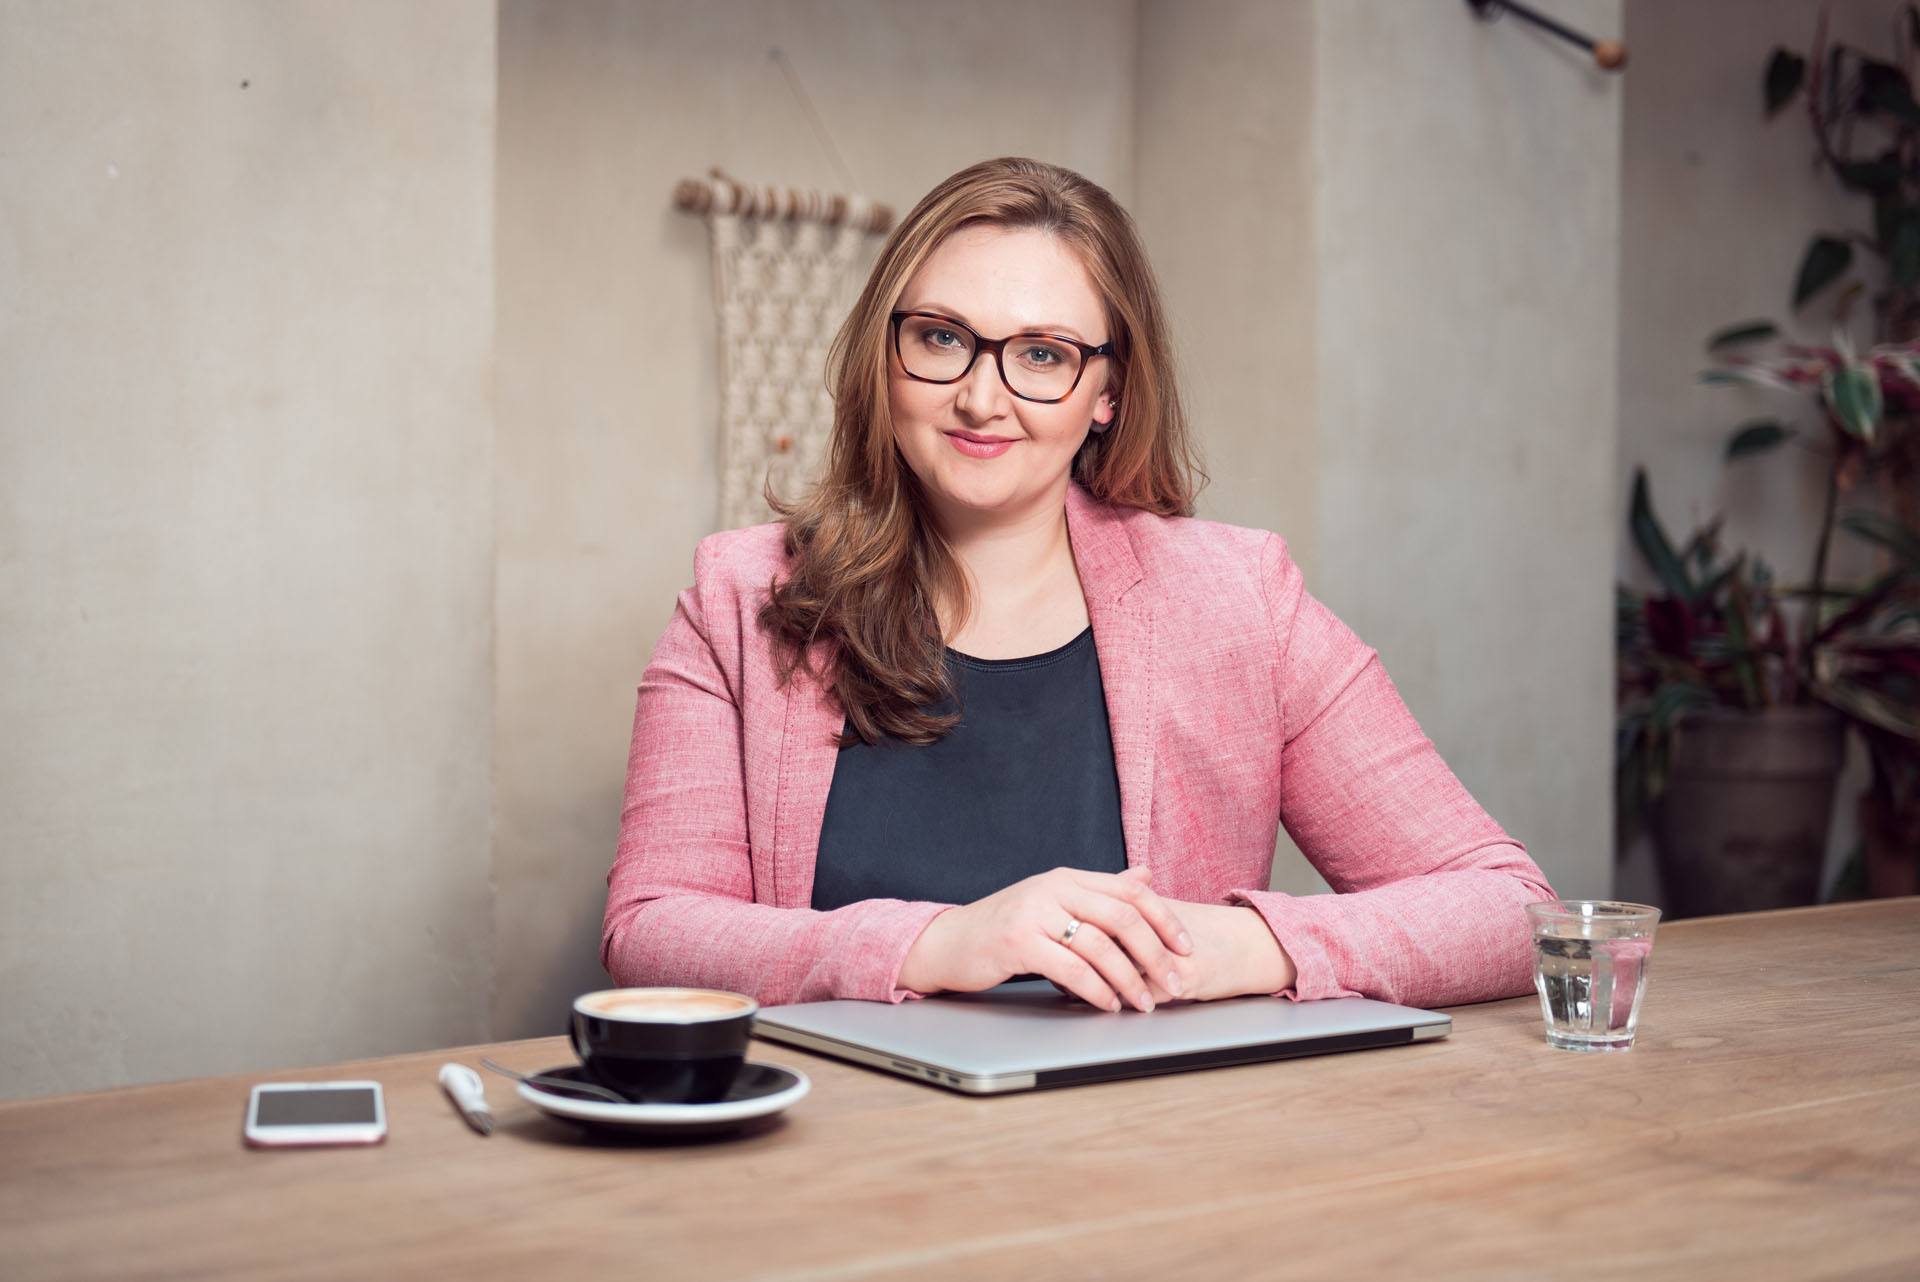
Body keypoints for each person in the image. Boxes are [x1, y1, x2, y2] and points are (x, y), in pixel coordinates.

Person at [601, 156, 1556, 1015]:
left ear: (1109, 393)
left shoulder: (1242, 601)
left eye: (1044, 355)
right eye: (941, 338)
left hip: (1144, 1139)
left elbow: (1511, 911)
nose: (981, 398)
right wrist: (942, 943)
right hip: (850, 1133)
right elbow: (650, 931)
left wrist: (1242, 945)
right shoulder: (740, 595)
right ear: (884, 354)